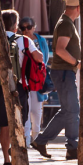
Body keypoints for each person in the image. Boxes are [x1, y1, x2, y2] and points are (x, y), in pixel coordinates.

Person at [0, 9, 41, 165]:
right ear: (16, 25)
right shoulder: (24, 40)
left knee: (4, 125)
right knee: (20, 123)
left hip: (0, 86)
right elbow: (39, 57)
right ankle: (19, 156)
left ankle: (6, 160)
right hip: (19, 86)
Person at [32, 0, 82, 161]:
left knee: (68, 110)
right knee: (73, 110)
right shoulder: (66, 24)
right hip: (64, 72)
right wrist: (76, 62)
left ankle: (41, 141)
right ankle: (73, 147)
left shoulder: (66, 23)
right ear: (78, 8)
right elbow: (60, 50)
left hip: (64, 73)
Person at [19, 17, 51, 148]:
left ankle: (36, 138)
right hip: (23, 80)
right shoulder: (19, 40)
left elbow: (45, 58)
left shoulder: (41, 40)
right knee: (25, 110)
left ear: (34, 27)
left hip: (37, 80)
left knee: (36, 111)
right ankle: (26, 139)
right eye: (23, 28)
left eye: (28, 27)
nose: (26, 30)